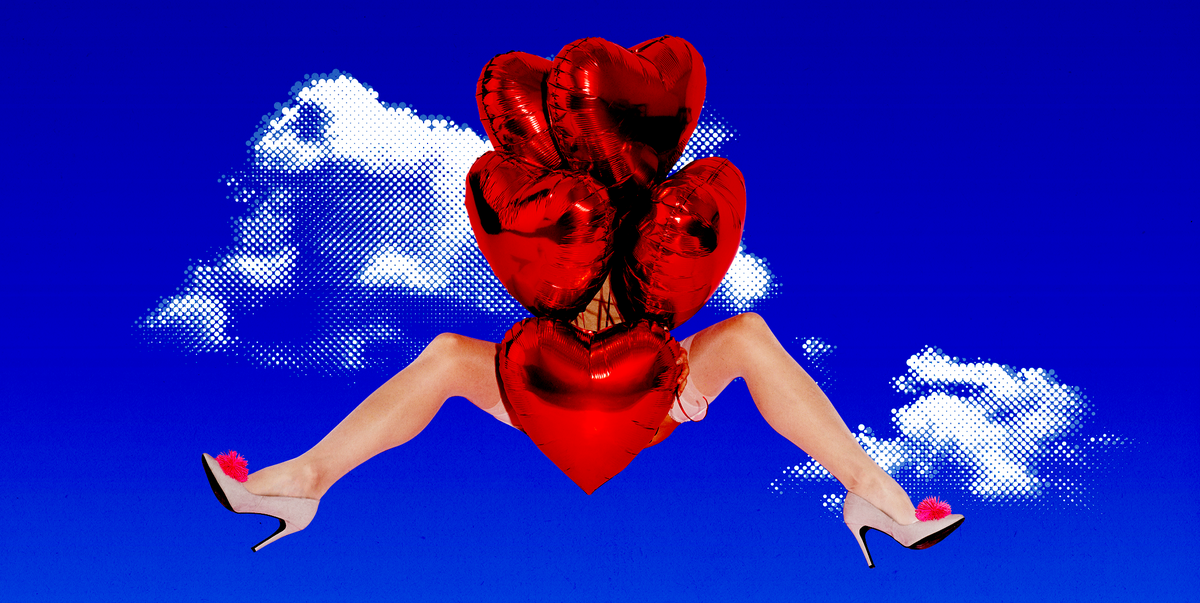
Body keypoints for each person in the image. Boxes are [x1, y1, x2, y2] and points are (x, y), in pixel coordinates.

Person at [202, 278, 964, 566]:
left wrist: (665, 359)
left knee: (747, 336)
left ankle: (873, 492)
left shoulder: (648, 207)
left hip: (634, 389)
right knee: (447, 357)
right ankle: (301, 479)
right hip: (556, 386)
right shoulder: (557, 203)